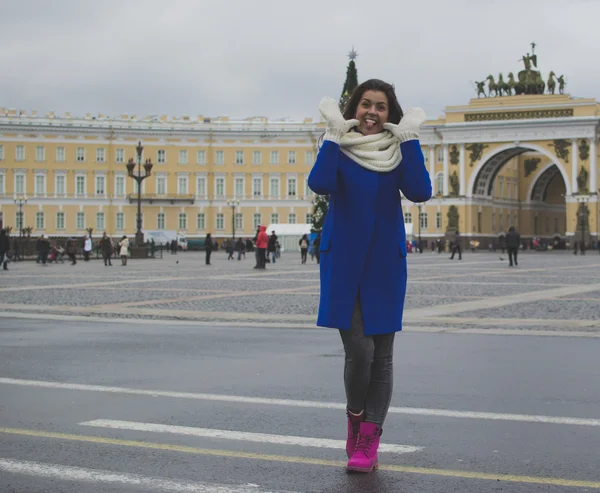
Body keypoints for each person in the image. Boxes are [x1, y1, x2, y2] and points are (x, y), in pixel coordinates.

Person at [307, 80, 431, 473]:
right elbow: (320, 183)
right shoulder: (340, 148)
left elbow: (420, 191)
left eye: (380, 106)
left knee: (383, 357)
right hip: (343, 260)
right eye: (365, 104)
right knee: (359, 352)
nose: (372, 113)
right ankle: (355, 416)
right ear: (354, 108)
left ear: (390, 114)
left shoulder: (397, 153)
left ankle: (369, 439)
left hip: (384, 262)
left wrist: (409, 140)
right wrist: (332, 135)